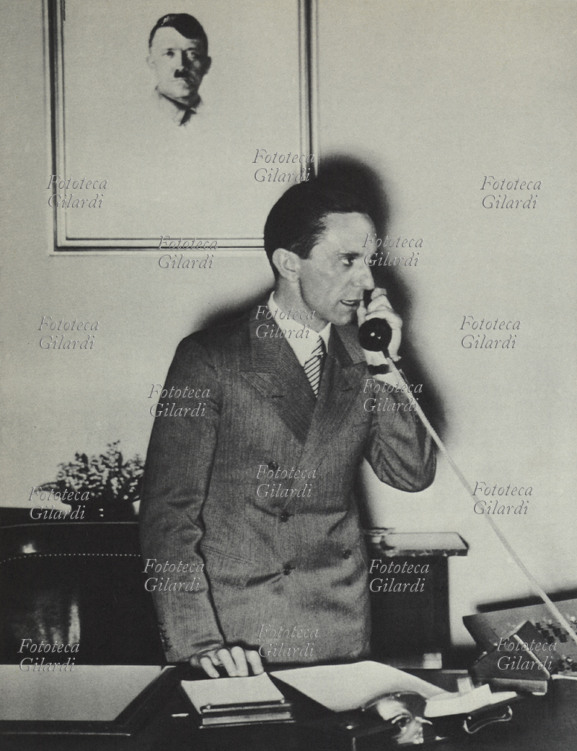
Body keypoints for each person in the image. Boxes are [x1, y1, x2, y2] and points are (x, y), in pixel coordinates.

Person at [139, 179, 436, 678]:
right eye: (347, 261)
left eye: (368, 261)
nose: (366, 282)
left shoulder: (363, 356)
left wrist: (385, 367)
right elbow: (168, 516)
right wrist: (198, 642)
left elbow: (412, 473)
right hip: (239, 640)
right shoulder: (211, 358)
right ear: (288, 262)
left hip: (341, 630)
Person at [147, 13, 211, 126]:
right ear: (152, 62)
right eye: (169, 53)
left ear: (206, 65)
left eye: (193, 54)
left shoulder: (222, 119)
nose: (181, 66)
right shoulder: (131, 117)